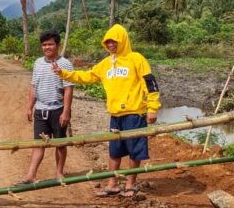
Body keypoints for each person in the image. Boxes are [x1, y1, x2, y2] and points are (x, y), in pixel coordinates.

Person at [53, 24, 160, 198]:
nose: (110, 45)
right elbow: (87, 76)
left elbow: (150, 83)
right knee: (114, 151)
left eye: (114, 41)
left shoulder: (136, 59)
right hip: (115, 115)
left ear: (122, 40)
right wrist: (64, 74)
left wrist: (152, 108)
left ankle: (131, 184)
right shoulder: (105, 63)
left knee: (135, 150)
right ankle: (112, 183)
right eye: (107, 42)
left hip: (134, 113)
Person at [17, 31, 73, 184]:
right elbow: (33, 86)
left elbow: (68, 89)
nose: (47, 47)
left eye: (50, 44)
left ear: (57, 45)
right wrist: (30, 107)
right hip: (41, 110)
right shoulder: (38, 63)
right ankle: (31, 174)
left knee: (60, 143)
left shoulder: (65, 64)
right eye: (44, 45)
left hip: (58, 109)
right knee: (38, 142)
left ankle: (59, 173)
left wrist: (66, 112)